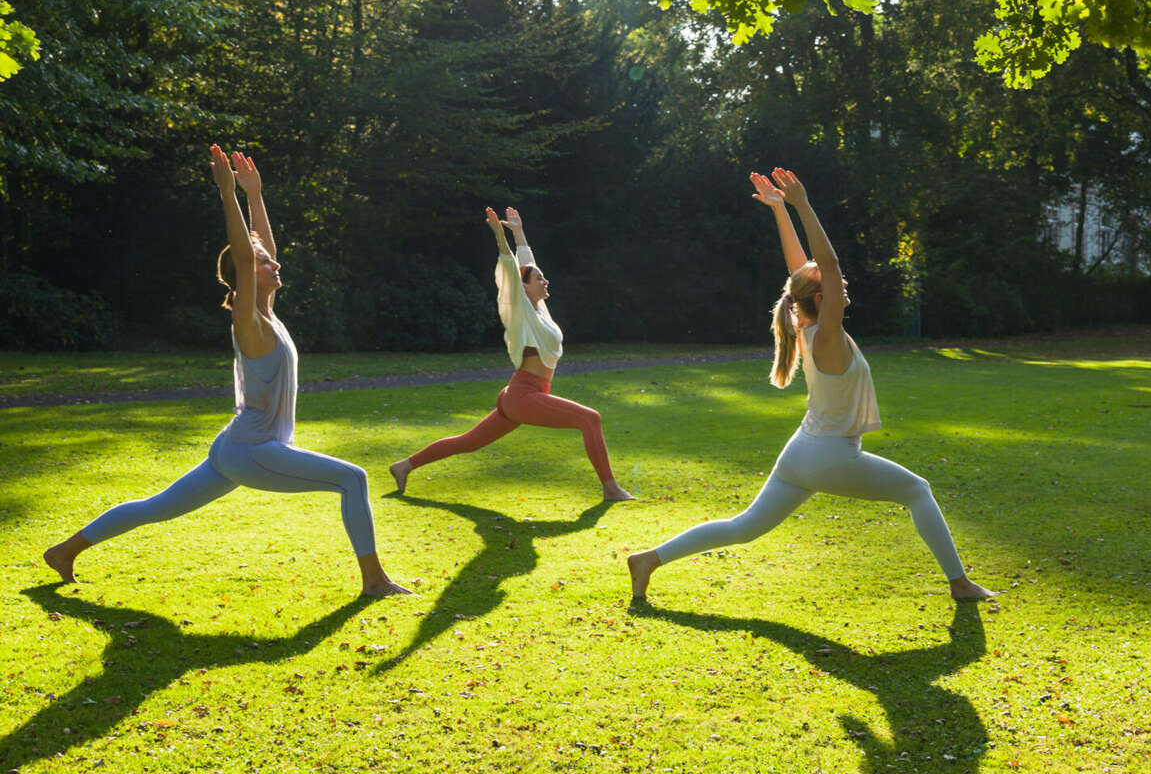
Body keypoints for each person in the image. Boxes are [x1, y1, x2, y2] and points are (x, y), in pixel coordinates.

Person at [43, 146, 410, 598]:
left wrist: (255, 195)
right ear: (244, 276)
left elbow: (259, 250)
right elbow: (244, 254)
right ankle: (375, 580)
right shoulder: (247, 316)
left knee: (156, 507)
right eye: (264, 263)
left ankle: (64, 551)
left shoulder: (266, 312)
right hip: (254, 449)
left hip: (236, 446)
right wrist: (226, 193)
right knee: (353, 478)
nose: (275, 264)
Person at [628, 168, 993, 603]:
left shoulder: (806, 326)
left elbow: (800, 271)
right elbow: (827, 266)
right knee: (917, 490)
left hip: (802, 450)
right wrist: (802, 204)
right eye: (836, 286)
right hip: (829, 454)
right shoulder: (827, 336)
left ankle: (649, 558)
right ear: (824, 300)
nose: (843, 284)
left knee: (743, 527)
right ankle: (959, 583)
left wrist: (781, 211)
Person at [389, 206, 633, 501]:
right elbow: (511, 270)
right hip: (524, 397)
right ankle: (610, 488)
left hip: (518, 395)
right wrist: (499, 236)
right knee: (590, 419)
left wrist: (518, 231)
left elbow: (527, 263)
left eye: (544, 278)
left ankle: (404, 466)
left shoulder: (540, 310)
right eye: (539, 279)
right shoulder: (522, 310)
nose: (545, 281)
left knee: (468, 442)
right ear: (525, 288)